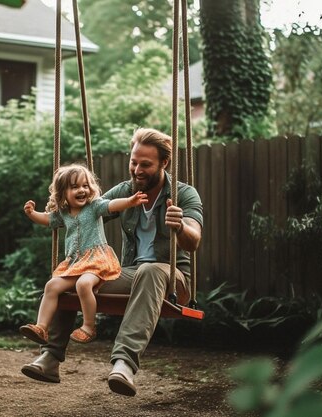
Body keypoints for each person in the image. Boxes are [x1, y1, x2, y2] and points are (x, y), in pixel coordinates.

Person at [20, 128, 203, 397]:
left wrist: (180, 228)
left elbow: (194, 240)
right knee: (73, 274)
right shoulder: (127, 191)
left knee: (150, 269)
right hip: (129, 274)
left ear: (164, 163)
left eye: (145, 164)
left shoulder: (184, 194)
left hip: (171, 278)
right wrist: (64, 202)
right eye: (134, 162)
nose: (137, 170)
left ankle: (124, 364)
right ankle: (49, 359)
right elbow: (87, 213)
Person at [19, 164, 148, 345]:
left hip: (97, 261)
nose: (82, 190)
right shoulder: (63, 214)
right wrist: (32, 214)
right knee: (51, 286)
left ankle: (88, 326)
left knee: (83, 284)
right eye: (75, 187)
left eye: (85, 186)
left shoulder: (94, 206)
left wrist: (129, 202)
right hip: (75, 263)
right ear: (63, 192)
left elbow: (111, 205)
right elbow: (48, 219)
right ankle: (41, 327)